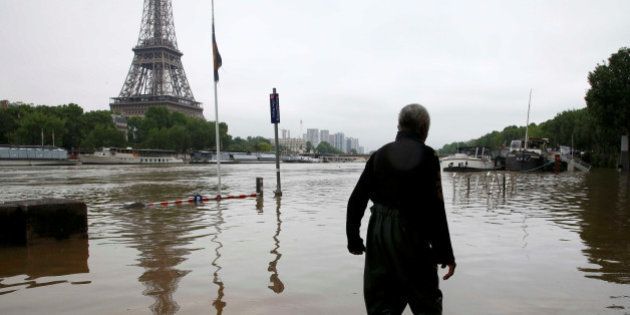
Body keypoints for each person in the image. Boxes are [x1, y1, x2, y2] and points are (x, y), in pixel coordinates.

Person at [346, 104, 456, 314]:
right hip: (412, 233)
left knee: (381, 303)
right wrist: (445, 253)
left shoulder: (379, 155)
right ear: (423, 128)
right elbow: (436, 210)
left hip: (379, 234)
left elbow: (356, 200)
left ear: (399, 126)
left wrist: (354, 239)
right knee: (426, 302)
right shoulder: (428, 156)